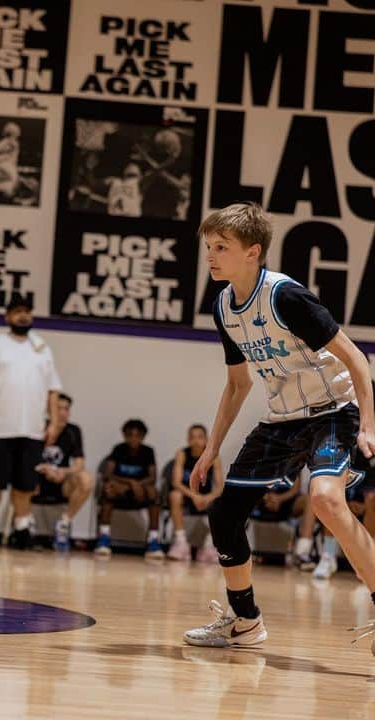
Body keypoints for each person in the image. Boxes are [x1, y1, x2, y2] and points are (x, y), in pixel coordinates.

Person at [182, 202, 375, 650]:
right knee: (224, 512)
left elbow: (355, 358)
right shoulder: (224, 307)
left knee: (326, 501)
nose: (211, 256)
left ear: (253, 252)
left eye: (221, 247)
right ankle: (245, 620)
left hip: (334, 410)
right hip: (284, 419)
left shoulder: (286, 297)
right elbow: (236, 384)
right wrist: (211, 448)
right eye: (208, 247)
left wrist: (367, 424)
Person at [0, 294, 63, 550]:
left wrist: (54, 421)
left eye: (27, 311)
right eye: (18, 311)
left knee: (25, 484)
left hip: (31, 429)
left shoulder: (42, 347)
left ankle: (21, 530)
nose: (23, 316)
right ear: (7, 316)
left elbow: (53, 388)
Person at [94, 419, 164, 559]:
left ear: (143, 437)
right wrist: (131, 483)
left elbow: (152, 477)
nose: (133, 438)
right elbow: (108, 474)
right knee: (108, 490)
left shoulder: (148, 451)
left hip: (140, 493)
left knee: (154, 493)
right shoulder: (118, 449)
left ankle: (153, 540)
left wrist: (137, 485)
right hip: (120, 490)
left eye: (137, 435)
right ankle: (104, 537)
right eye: (130, 435)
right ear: (124, 436)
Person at [32, 393, 93, 551]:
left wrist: (63, 472)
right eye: (59, 408)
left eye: (66, 409)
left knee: (86, 479)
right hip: (37, 477)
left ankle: (63, 524)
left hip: (61, 480)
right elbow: (26, 459)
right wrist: (45, 468)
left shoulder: (73, 431)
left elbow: (79, 463)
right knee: (23, 477)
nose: (63, 412)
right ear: (49, 410)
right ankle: (25, 526)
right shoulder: (37, 427)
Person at [167, 424, 224, 562]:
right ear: (188, 439)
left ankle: (210, 545)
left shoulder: (213, 457)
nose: (196, 440)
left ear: (206, 439)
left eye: (200, 437)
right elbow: (176, 482)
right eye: (192, 437)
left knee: (223, 500)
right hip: (188, 496)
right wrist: (194, 496)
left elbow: (220, 487)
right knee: (174, 495)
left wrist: (207, 498)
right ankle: (181, 543)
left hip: (205, 498)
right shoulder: (182, 454)